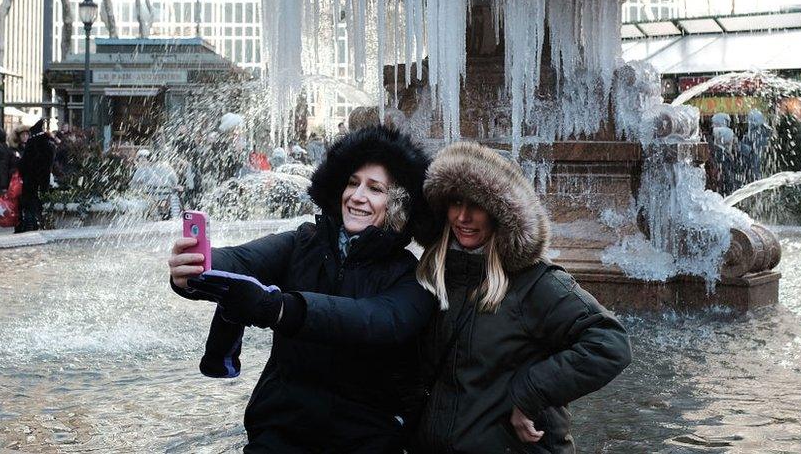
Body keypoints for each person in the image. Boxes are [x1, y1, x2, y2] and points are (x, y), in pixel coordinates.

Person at [167, 125, 437, 453]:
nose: (357, 196)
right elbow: (241, 260)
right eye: (352, 183)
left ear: (398, 204)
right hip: (281, 428)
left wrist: (282, 308)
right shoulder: (302, 243)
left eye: (375, 188)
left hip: (364, 436)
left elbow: (374, 321)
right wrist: (196, 266)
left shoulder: (413, 276)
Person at [414, 142, 632, 453]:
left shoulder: (534, 282)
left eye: (477, 204)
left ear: (503, 214)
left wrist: (530, 393)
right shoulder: (437, 275)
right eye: (456, 202)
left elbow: (610, 343)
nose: (463, 216)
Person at [16, 118, 56, 233]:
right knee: (40, 204)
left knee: (29, 204)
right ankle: (40, 223)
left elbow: (23, 164)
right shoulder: (49, 145)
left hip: (30, 180)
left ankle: (31, 225)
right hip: (44, 180)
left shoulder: (31, 144)